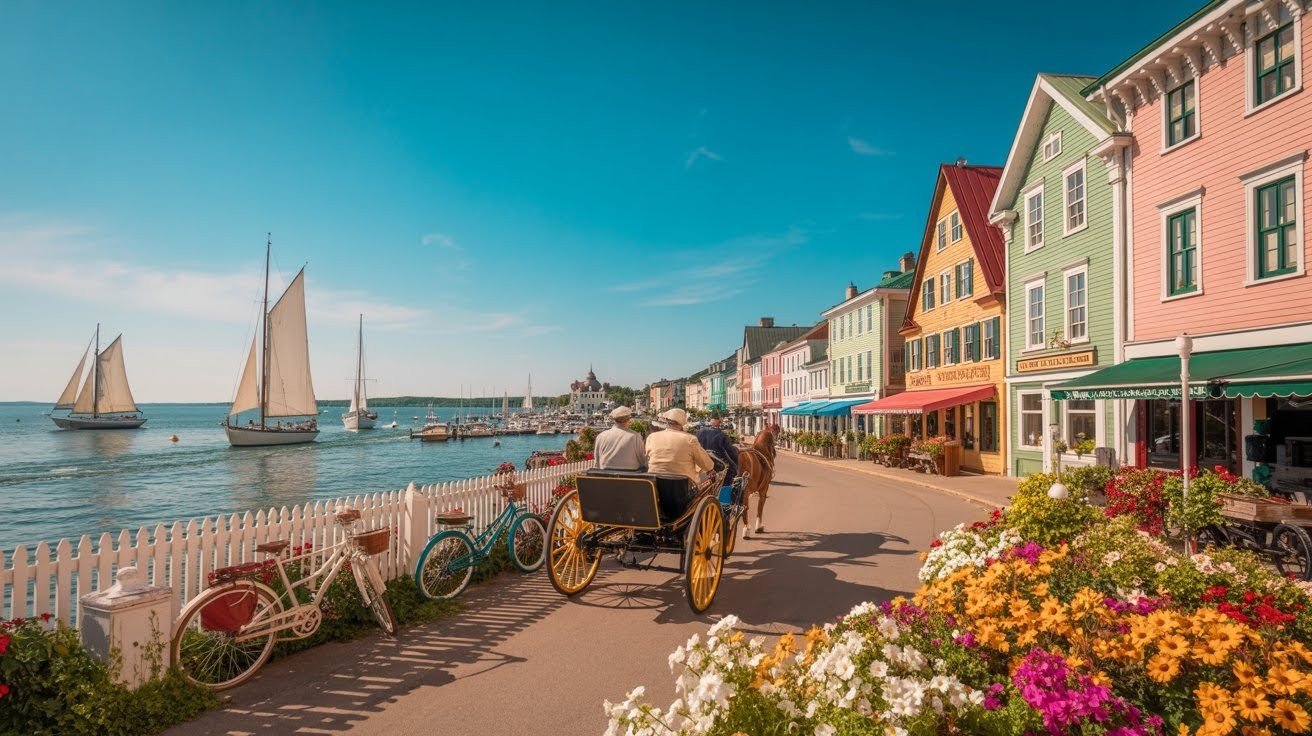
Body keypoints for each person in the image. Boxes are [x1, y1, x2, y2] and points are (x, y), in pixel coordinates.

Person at [645, 408, 714, 485]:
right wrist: (710, 468)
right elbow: (707, 464)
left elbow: (647, 458)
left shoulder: (652, 437)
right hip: (683, 485)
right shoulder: (690, 439)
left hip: (655, 483)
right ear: (682, 424)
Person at [594, 406, 647, 471]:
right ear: (628, 419)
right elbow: (642, 459)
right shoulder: (635, 436)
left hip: (606, 474)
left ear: (613, 419)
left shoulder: (601, 436)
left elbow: (597, 461)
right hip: (631, 476)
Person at [696, 417, 738, 484]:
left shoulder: (699, 432)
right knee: (733, 470)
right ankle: (726, 489)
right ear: (719, 424)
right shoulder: (722, 435)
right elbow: (730, 451)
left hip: (702, 459)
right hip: (717, 460)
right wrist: (736, 457)